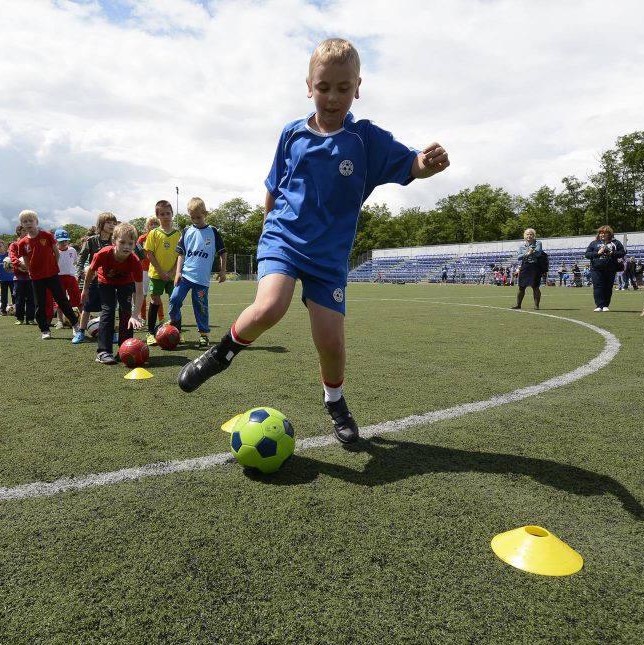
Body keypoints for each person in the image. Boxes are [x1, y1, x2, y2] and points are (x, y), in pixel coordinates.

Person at [177, 38, 449, 443]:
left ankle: (335, 401)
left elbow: (412, 163)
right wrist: (268, 231)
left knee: (331, 342)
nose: (333, 97)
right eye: (323, 87)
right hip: (283, 239)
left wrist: (428, 163)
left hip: (328, 256)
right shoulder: (291, 134)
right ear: (309, 86)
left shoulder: (365, 139)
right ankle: (220, 354)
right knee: (270, 306)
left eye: (343, 87)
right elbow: (273, 187)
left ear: (358, 87)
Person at [11, 210, 82, 340]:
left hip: (52, 275)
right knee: (40, 304)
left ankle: (75, 324)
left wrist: (53, 267)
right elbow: (26, 261)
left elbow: (57, 253)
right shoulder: (22, 243)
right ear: (22, 224)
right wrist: (30, 270)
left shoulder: (47, 235)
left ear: (36, 222)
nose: (28, 223)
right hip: (36, 278)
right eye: (25, 221)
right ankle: (44, 329)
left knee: (62, 300)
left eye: (31, 220)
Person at [80, 222, 144, 364]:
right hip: (105, 282)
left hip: (125, 283)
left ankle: (125, 350)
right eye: (122, 242)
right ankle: (103, 352)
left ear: (135, 244)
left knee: (126, 313)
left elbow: (140, 292)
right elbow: (90, 272)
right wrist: (85, 290)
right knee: (108, 311)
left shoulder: (135, 261)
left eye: (131, 243)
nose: (127, 246)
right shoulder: (103, 254)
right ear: (114, 241)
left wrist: (135, 315)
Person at [167, 197, 227, 348]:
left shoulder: (213, 232)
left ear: (205, 214)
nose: (195, 220)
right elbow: (181, 254)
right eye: (192, 217)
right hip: (185, 276)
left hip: (201, 281)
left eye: (198, 217)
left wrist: (223, 271)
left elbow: (223, 252)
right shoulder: (187, 231)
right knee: (174, 299)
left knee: (201, 308)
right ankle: (174, 321)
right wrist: (178, 272)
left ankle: (204, 335)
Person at [72, 212, 117, 343]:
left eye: (114, 223)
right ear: (100, 224)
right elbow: (81, 258)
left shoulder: (116, 240)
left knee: (109, 309)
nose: (112, 225)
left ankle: (112, 333)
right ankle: (81, 333)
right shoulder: (91, 240)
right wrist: (81, 272)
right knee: (87, 308)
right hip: (94, 281)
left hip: (110, 281)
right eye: (108, 222)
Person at [144, 200, 181, 344]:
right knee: (155, 301)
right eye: (162, 214)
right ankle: (150, 333)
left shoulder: (178, 234)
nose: (165, 216)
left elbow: (180, 255)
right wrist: (161, 272)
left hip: (173, 276)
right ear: (157, 215)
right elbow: (150, 254)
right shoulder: (153, 233)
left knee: (175, 301)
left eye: (168, 213)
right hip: (156, 275)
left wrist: (172, 272)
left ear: (172, 214)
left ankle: (177, 331)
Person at [584, 225, 625, 312]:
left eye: (604, 233)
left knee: (608, 287)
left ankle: (605, 305)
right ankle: (599, 305)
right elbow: (587, 254)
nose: (602, 234)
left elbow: (622, 253)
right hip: (596, 269)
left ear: (609, 234)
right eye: (600, 233)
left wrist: (612, 253)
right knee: (598, 286)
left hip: (611, 268)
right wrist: (598, 253)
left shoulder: (616, 243)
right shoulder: (594, 243)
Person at [51, 229, 81, 327]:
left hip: (71, 277)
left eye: (65, 240)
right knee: (60, 300)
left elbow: (75, 262)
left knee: (77, 298)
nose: (64, 243)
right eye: (61, 241)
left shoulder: (72, 250)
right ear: (56, 241)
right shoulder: (53, 252)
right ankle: (60, 321)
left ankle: (83, 319)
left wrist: (76, 275)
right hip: (58, 278)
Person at [7, 224, 35, 325]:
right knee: (19, 299)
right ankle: (20, 318)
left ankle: (31, 318)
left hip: (31, 276)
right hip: (19, 277)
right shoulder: (14, 245)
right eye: (24, 230)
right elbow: (12, 257)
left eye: (28, 230)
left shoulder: (32, 243)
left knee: (31, 298)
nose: (26, 232)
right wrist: (21, 264)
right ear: (19, 232)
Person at [511, 228, 543, 309]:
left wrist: (529, 253)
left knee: (535, 286)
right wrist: (528, 253)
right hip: (524, 266)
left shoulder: (538, 243)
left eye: (531, 234)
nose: (529, 236)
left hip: (535, 266)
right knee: (521, 287)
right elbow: (519, 257)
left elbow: (538, 253)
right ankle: (518, 305)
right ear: (525, 236)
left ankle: (536, 305)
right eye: (527, 234)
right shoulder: (522, 246)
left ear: (534, 235)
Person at [136, 216, 160, 325]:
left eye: (156, 224)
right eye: (151, 224)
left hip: (156, 269)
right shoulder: (142, 238)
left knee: (156, 294)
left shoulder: (161, 237)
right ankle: (143, 317)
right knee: (143, 294)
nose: (154, 226)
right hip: (144, 270)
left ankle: (161, 318)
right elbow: (136, 252)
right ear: (147, 226)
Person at [0, 239, 16, 316]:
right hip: (3, 279)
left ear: (3, 246)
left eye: (0, 246)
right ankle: (3, 310)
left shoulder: (10, 254)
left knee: (14, 295)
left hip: (12, 279)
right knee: (3, 296)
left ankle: (16, 309)